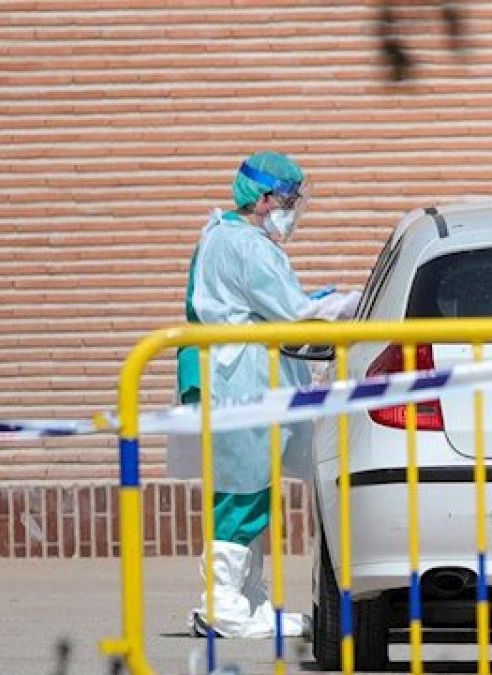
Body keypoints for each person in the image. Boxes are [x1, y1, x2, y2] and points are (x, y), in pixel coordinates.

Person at [168, 151, 359, 639]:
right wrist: (344, 304)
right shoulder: (249, 246)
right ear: (267, 197)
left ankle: (245, 602)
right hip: (242, 382)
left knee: (248, 488)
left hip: (235, 378)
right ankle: (223, 607)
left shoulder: (224, 234)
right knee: (242, 492)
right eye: (290, 198)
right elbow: (291, 312)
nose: (293, 208)